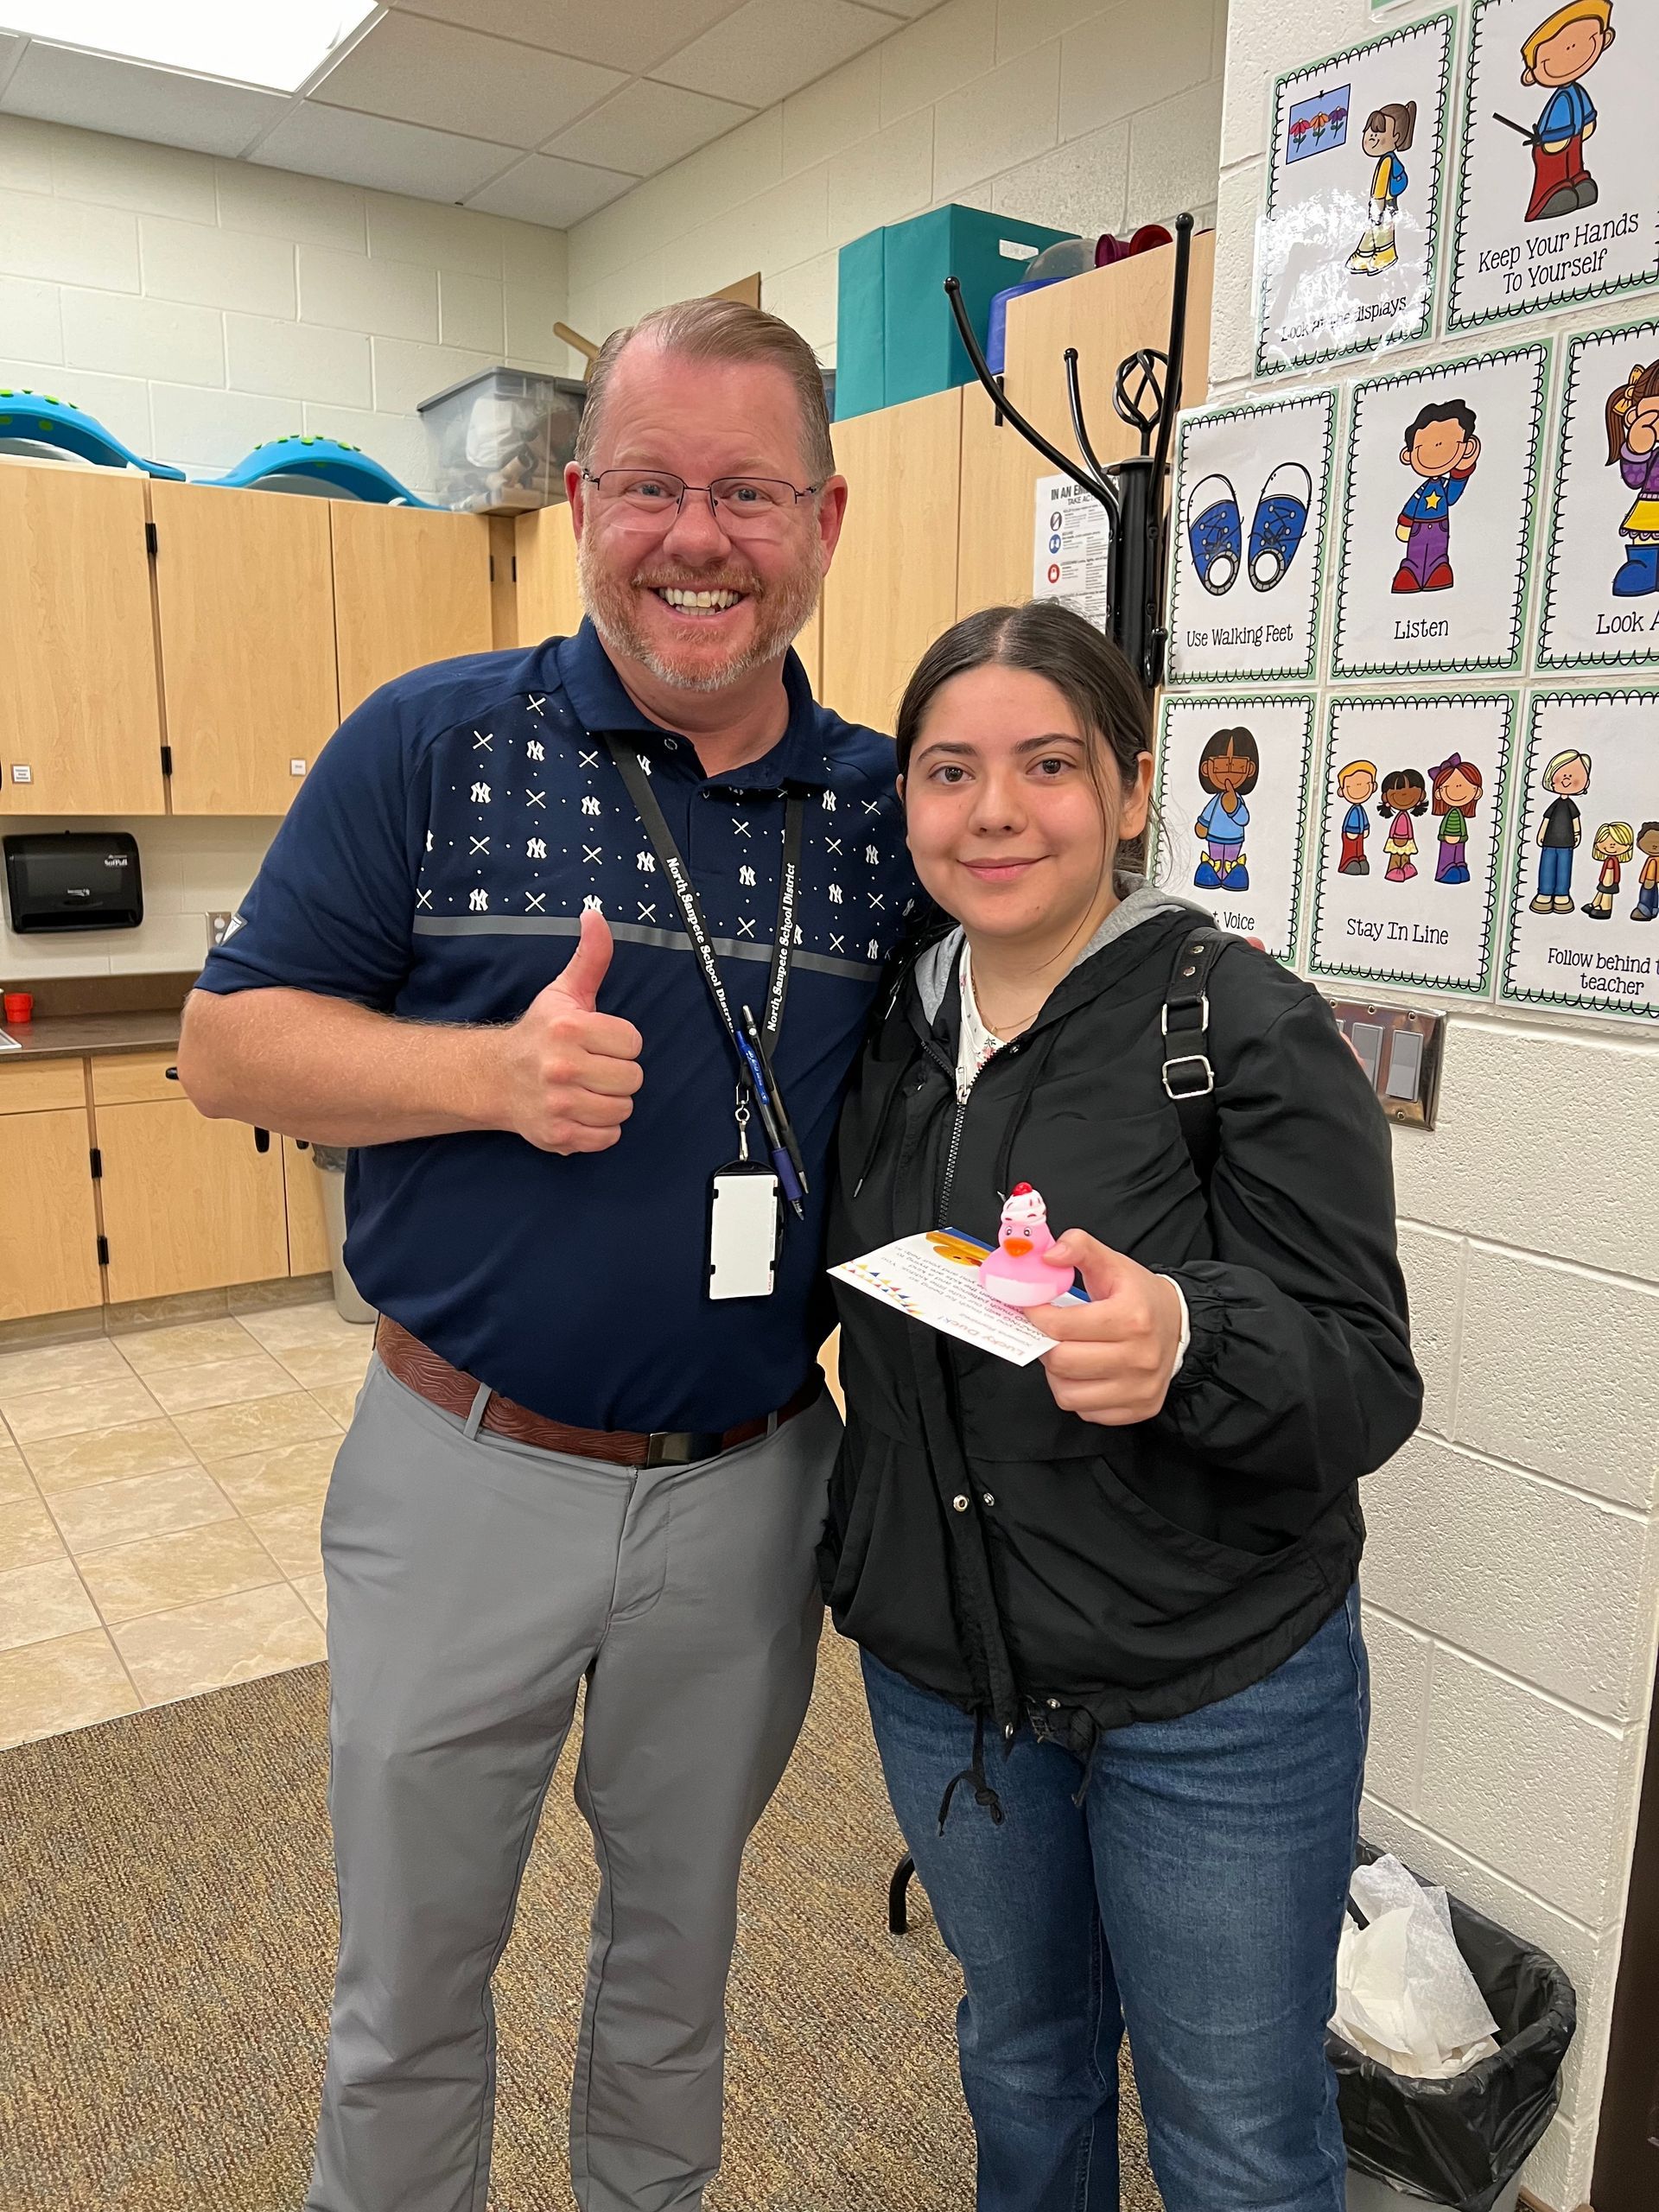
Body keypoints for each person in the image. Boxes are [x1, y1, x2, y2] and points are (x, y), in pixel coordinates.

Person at [176, 297, 919, 2212]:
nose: (700, 537)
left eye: (749, 490)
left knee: (676, 1971)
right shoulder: (430, 743)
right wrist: (484, 1071)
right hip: (463, 1469)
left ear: (824, 518)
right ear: (581, 498)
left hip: (748, 1486)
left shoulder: (881, 813)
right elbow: (229, 1042)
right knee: (413, 1979)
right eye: (654, 483)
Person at [822, 600, 1421, 2212]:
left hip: (1213, 1692)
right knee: (1021, 2059)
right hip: (955, 1678)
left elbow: (1366, 1375)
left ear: (1136, 790)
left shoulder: (1236, 1023)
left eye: (1048, 765)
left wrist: (1187, 1336)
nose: (995, 810)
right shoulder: (886, 1023)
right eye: (949, 772)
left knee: (1233, 2129)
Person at [1520, 0, 1614, 224]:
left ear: (1604, 39)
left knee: (1575, 163)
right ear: (1532, 75)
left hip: (1573, 139)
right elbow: (1552, 128)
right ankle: (1551, 196)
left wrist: (1586, 127)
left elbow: (1587, 115)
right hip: (1553, 145)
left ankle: (1576, 181)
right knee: (1555, 169)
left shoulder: (1576, 92)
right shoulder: (1560, 99)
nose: (1571, 48)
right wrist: (1553, 141)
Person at [1394, 400, 1480, 594]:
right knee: (1414, 553)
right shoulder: (1423, 490)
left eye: (1444, 443)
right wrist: (1406, 522)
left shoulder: (1443, 487)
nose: (1436, 448)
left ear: (1467, 448)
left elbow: (1452, 496)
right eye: (1424, 446)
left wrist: (1463, 470)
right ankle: (1410, 572)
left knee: (1437, 551)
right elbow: (1412, 505)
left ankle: (1437, 571)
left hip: (1440, 526)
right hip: (1418, 528)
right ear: (1409, 455)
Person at [1605, 359, 1659, 600]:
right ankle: (1644, 572)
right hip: (1650, 511)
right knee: (1642, 563)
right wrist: (1637, 451)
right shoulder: (1648, 450)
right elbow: (1633, 479)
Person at [1346, 100, 1416, 276]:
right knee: (1372, 229)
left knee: (1382, 230)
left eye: (1378, 133)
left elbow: (1380, 188)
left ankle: (1385, 255)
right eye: (1369, 131)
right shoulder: (1384, 160)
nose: (1371, 137)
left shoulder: (1387, 161)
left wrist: (1376, 208)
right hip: (1382, 203)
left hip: (1383, 204)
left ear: (1396, 138)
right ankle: (1363, 257)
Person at [1192, 725, 1257, 889]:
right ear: (1207, 769)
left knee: (1230, 859)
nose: (1228, 771)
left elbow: (1244, 819)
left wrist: (1233, 807)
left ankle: (1230, 877)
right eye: (1220, 766)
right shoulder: (1216, 799)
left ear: (1249, 769)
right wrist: (1203, 825)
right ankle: (1211, 877)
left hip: (1234, 839)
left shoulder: (1236, 799)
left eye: (1237, 766)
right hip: (1213, 836)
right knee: (1215, 858)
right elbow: (1207, 815)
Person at [1531, 747, 1591, 913]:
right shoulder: (1555, 805)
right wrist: (1541, 834)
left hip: (1567, 843)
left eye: (1575, 776)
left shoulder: (1571, 806)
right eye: (1563, 773)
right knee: (1547, 867)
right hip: (1549, 842)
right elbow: (1546, 820)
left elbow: (1576, 821)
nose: (1567, 778)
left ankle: (1562, 895)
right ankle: (1544, 893)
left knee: (1564, 868)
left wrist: (1577, 834)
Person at [1428, 754, 1483, 885]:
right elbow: (1445, 827)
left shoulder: (1458, 813)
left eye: (1465, 785)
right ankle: (1445, 870)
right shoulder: (1451, 813)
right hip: (1449, 839)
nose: (1458, 788)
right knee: (1448, 854)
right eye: (1451, 786)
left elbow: (1462, 828)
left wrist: (1463, 837)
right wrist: (1446, 836)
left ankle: (1459, 864)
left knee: (1459, 854)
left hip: (1460, 840)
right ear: (1439, 793)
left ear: (1477, 792)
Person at [1377, 766, 1428, 882]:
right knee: (1395, 856)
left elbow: (1410, 830)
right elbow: (1393, 829)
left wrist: (1410, 838)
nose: (1404, 794)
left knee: (1406, 855)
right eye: (1397, 791)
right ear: (1386, 797)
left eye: (1411, 789)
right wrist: (1393, 838)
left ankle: (1406, 866)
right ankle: (1393, 869)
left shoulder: (1406, 817)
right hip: (1396, 839)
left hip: (1407, 840)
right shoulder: (1399, 817)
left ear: (1421, 795)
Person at [1582, 820, 1633, 918]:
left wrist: (1607, 882)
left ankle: (1606, 909)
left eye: (1617, 842)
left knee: (1606, 893)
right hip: (1605, 880)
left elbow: (1610, 872)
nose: (1612, 845)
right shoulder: (1609, 859)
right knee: (1601, 892)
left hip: (1609, 881)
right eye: (1605, 841)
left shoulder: (1611, 861)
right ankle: (1595, 904)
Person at [1336, 759, 1377, 874]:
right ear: (1342, 791)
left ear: (1373, 787)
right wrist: (1352, 832)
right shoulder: (1353, 810)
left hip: (1359, 834)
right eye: (1351, 786)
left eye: (1366, 784)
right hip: (1350, 834)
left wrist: (1366, 828)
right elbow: (1350, 823)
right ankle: (1348, 863)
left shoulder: (1360, 809)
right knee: (1350, 849)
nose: (1359, 787)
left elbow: (1364, 820)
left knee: (1360, 848)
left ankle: (1360, 858)